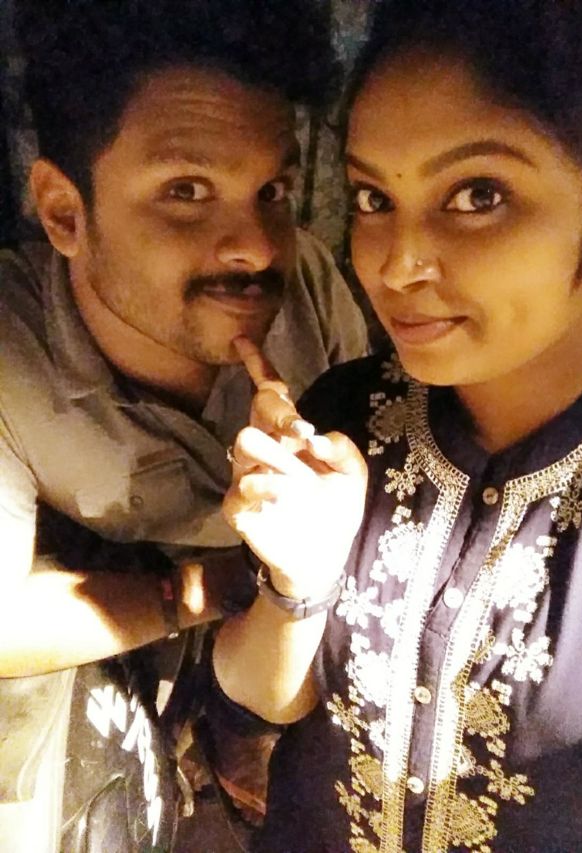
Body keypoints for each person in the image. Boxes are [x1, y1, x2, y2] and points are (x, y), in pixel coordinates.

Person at [214, 1, 582, 850]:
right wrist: (298, 580)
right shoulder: (346, 415)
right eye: (374, 197)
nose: (396, 263)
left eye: (478, 196)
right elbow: (269, 698)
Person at [0, 0, 366, 845]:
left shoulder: (307, 286)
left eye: (272, 191)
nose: (256, 248)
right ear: (64, 212)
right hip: (137, 600)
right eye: (187, 192)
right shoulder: (13, 349)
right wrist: (209, 587)